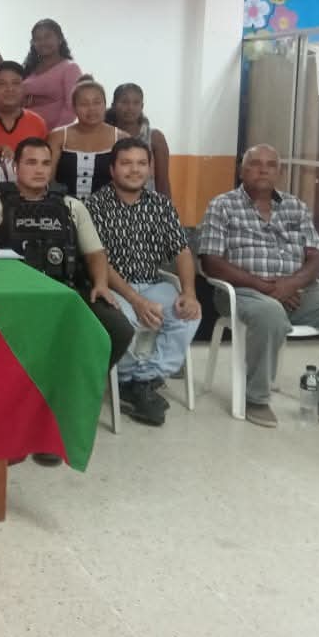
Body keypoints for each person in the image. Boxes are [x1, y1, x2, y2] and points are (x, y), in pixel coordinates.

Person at [0, 137, 135, 464]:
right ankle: (12, 420)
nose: (39, 170)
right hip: (13, 300)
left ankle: (65, 403)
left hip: (65, 296)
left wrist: (101, 284)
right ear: (16, 166)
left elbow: (95, 253)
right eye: (31, 162)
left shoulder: (71, 206)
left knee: (118, 330)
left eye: (45, 163)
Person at [199, 144, 319, 431]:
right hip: (243, 291)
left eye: (271, 165)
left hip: (298, 292)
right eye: (255, 164)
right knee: (270, 313)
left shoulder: (295, 207)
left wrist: (291, 284)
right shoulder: (222, 206)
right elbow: (211, 262)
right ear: (242, 170)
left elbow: (316, 258)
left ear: (280, 173)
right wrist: (266, 287)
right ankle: (256, 398)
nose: (263, 170)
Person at [86, 138, 201, 427]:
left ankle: (144, 378)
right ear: (112, 169)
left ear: (150, 168)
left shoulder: (161, 205)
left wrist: (189, 292)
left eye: (141, 163)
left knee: (188, 314)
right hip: (113, 288)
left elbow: (182, 251)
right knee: (122, 322)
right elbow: (99, 260)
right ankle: (128, 380)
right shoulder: (94, 205)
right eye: (126, 163)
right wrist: (136, 301)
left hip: (153, 284)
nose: (134, 170)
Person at [50, 78, 126, 199]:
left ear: (105, 105)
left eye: (97, 102)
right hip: (62, 205)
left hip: (108, 207)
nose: (91, 109)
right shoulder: (57, 137)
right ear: (74, 108)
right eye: (84, 104)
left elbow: (126, 182)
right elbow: (48, 180)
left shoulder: (122, 138)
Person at [105, 83, 171, 198]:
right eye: (124, 102)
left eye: (136, 103)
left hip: (147, 204)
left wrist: (166, 207)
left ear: (142, 106)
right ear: (114, 105)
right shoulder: (105, 136)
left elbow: (162, 181)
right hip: (110, 203)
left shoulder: (155, 137)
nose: (130, 107)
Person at [21, 19, 83, 130]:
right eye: (37, 39)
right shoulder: (29, 69)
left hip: (53, 134)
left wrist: (54, 135)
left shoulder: (70, 68)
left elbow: (71, 109)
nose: (43, 42)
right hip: (24, 129)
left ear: (60, 39)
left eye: (47, 37)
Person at [0, 61, 49, 156]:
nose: (9, 89)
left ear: (24, 88)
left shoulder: (37, 123)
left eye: (16, 83)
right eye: (1, 84)